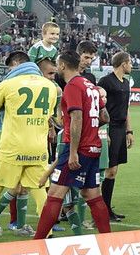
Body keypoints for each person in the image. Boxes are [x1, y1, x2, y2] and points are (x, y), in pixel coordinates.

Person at [0, 51, 58, 244]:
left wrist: (8, 113)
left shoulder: (8, 84)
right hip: (38, 148)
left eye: (10, 68)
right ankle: (48, 235)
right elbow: (48, 116)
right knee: (41, 191)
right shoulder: (50, 87)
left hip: (11, 148)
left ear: (15, 64)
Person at [32, 51, 112, 239]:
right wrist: (90, 129)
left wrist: (74, 151)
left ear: (62, 65)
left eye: (57, 64)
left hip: (78, 149)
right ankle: (108, 240)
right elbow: (105, 117)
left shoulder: (72, 86)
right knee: (92, 194)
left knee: (55, 194)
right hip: (94, 148)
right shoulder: (90, 86)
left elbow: (77, 117)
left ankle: (37, 241)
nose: (56, 68)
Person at [98, 51, 133, 221]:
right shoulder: (106, 81)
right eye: (130, 62)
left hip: (120, 129)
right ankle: (101, 209)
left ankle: (106, 209)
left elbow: (126, 109)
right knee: (108, 169)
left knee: (114, 170)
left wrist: (129, 131)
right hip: (109, 128)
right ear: (123, 64)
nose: (131, 65)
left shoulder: (126, 83)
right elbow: (98, 106)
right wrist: (103, 131)